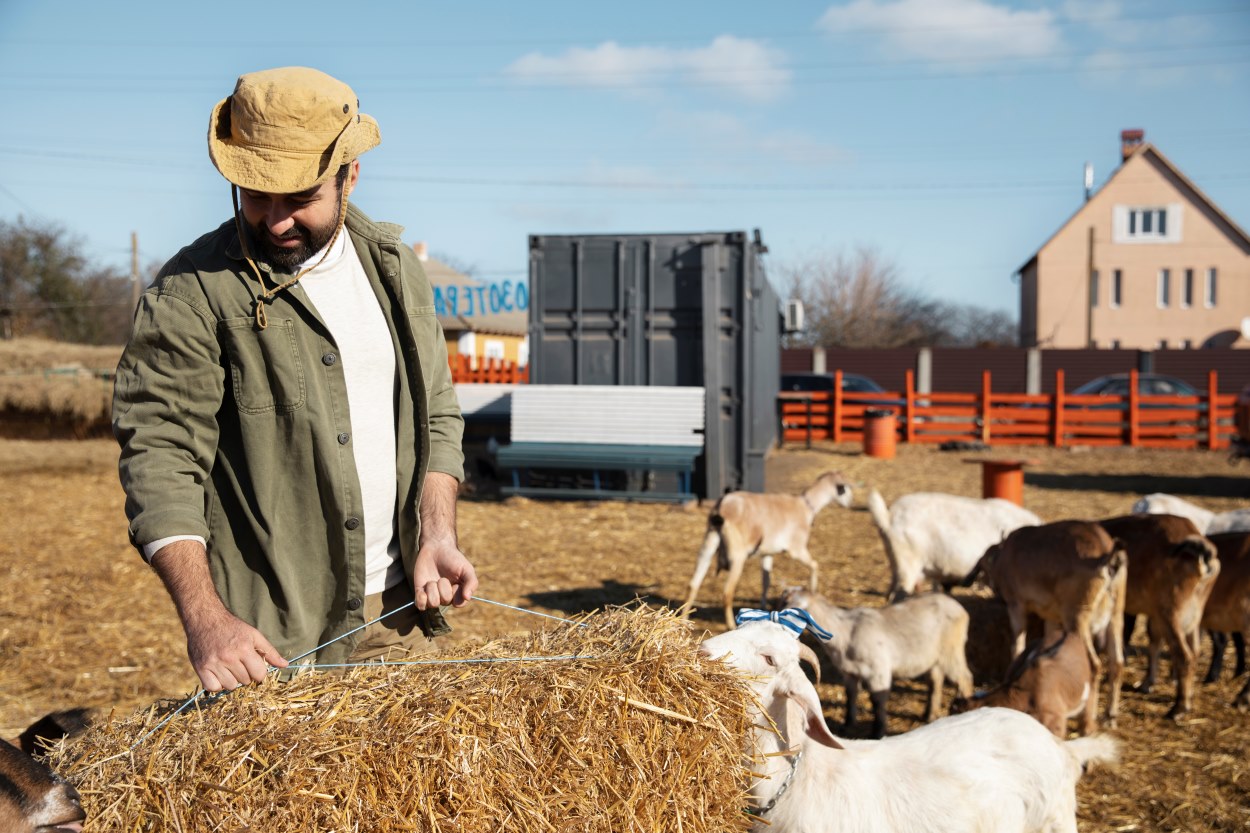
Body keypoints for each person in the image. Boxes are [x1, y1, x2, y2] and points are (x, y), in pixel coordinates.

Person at [113, 66, 477, 693]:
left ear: (350, 175)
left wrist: (437, 530)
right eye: (256, 196)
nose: (277, 222)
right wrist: (206, 621)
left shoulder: (396, 270)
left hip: (396, 616)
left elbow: (437, 414)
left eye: (301, 198)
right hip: (269, 645)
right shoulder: (190, 293)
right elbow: (160, 457)